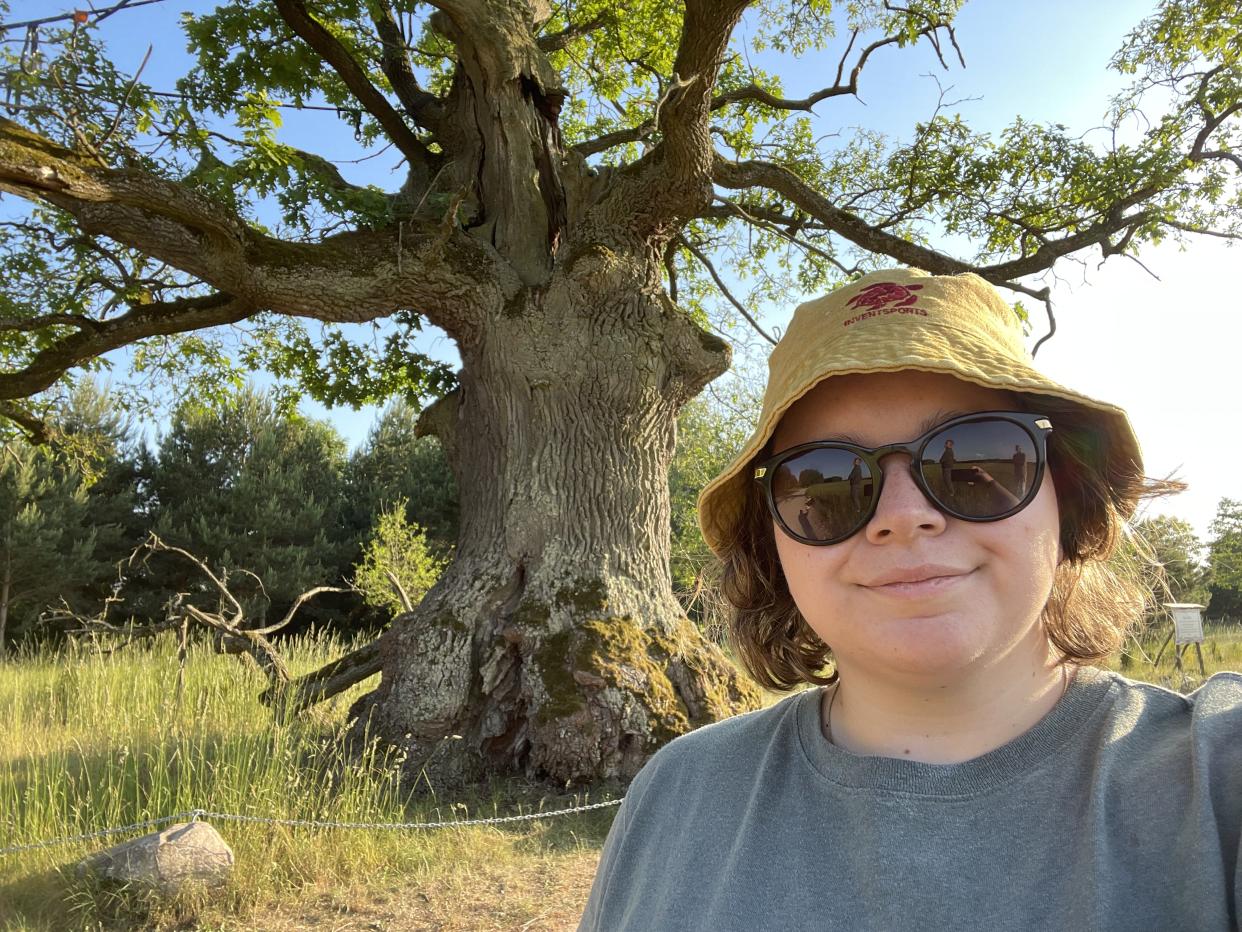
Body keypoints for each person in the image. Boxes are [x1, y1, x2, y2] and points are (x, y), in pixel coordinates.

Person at [578, 268, 1242, 931]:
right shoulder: (673, 797)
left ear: (1065, 497)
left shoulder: (1218, 779)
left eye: (977, 461)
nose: (901, 515)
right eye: (828, 482)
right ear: (772, 541)